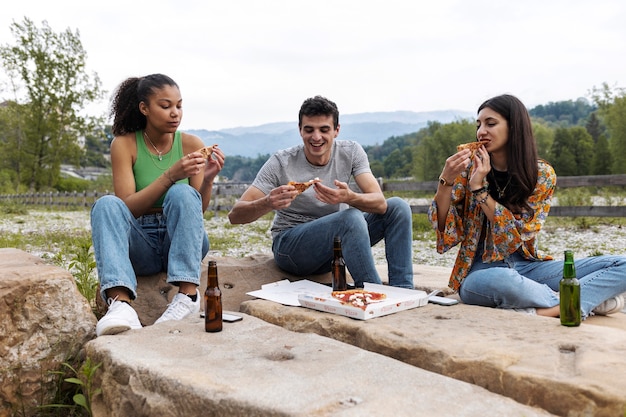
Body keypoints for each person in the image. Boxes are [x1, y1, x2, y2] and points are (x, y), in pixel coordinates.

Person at [429, 93, 626, 318]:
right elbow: (444, 228)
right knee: (493, 281)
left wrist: (480, 191)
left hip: (528, 266)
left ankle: (553, 306)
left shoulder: (541, 174)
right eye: (479, 125)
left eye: (490, 123)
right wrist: (445, 182)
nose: (481, 131)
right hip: (484, 269)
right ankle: (576, 301)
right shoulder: (469, 169)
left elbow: (516, 235)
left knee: (622, 264)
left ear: (514, 127)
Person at [228, 95, 414, 288]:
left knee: (397, 207)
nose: (316, 137)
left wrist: (350, 197)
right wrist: (267, 202)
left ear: (336, 131)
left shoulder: (351, 152)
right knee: (349, 218)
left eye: (324, 130)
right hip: (292, 250)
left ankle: (403, 289)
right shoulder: (281, 162)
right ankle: (371, 292)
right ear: (300, 130)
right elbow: (235, 215)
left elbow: (380, 203)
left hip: (334, 249)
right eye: (309, 130)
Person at [91, 74, 225, 336]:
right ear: (144, 108)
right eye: (165, 106)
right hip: (140, 242)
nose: (175, 113)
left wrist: (208, 180)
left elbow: (195, 211)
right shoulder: (124, 144)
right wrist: (170, 176)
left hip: (179, 242)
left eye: (179, 105)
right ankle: (120, 305)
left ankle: (187, 296)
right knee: (106, 204)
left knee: (183, 193)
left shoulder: (191, 144)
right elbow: (127, 208)